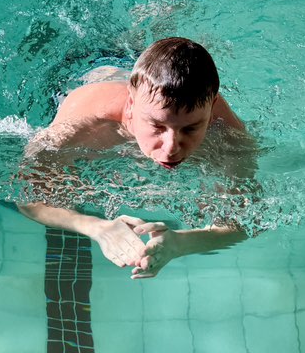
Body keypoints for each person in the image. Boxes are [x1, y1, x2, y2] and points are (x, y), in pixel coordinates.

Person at [18, 37, 256, 279]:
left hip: (143, 76)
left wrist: (180, 243)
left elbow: (245, 220)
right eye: (157, 126)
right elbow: (26, 195)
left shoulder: (230, 135)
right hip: (86, 64)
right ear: (131, 104)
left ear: (212, 108)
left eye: (190, 128)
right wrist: (97, 228)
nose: (171, 148)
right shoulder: (85, 121)